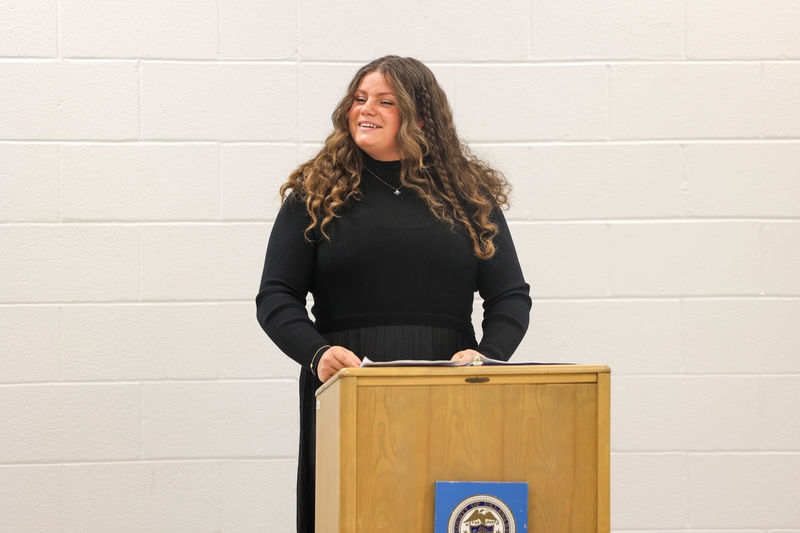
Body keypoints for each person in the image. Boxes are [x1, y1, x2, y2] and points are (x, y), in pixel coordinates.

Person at [255, 55, 531, 532]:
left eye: (385, 101)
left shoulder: (467, 195)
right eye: (360, 99)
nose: (366, 109)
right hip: (348, 386)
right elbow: (275, 297)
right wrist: (317, 353)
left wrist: (487, 358)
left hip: (449, 389)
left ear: (420, 116)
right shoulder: (315, 193)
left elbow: (510, 297)